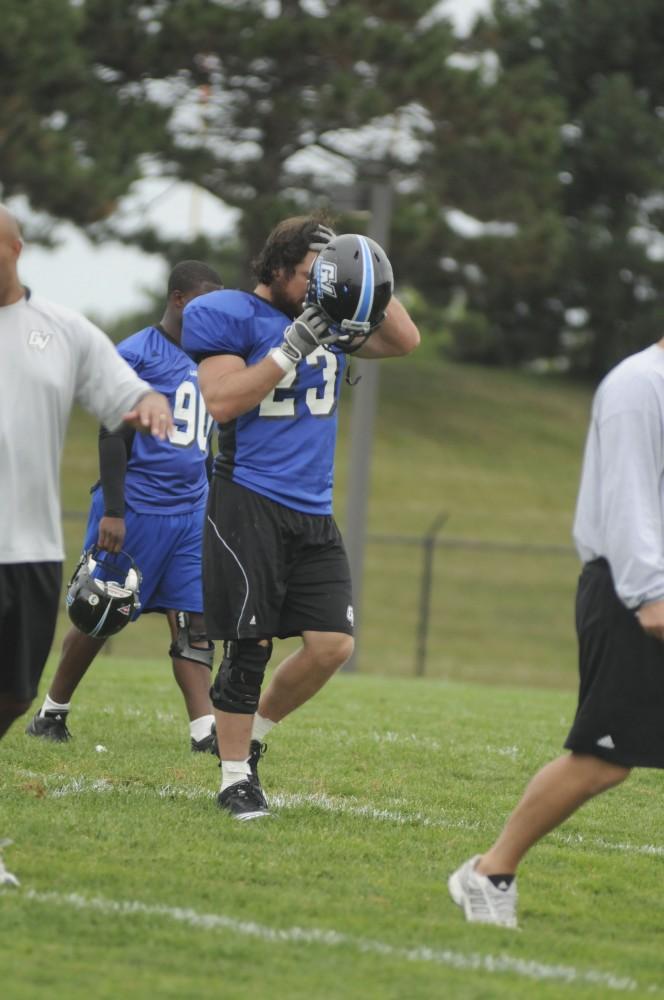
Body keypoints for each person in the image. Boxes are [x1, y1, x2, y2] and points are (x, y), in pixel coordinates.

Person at [182, 215, 420, 820]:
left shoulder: (336, 317)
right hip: (247, 497)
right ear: (277, 268)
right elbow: (223, 400)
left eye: (329, 276)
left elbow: (405, 340)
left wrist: (363, 270)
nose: (323, 287)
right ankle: (234, 779)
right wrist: (292, 348)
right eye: (314, 274)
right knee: (248, 645)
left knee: (332, 645)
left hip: (312, 506)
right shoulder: (227, 313)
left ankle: (251, 737)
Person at [449, 337, 664, 928]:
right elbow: (629, 503)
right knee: (602, 759)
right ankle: (489, 872)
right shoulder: (638, 387)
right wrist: (650, 595)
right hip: (633, 590)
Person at [0, 203, 173, 885]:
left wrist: (147, 406)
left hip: (32, 547)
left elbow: (122, 393)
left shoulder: (62, 330)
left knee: (15, 694)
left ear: (15, 247)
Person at [27, 261, 224, 754]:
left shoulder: (216, 357)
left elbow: (207, 437)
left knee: (195, 621)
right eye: (202, 302)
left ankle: (205, 729)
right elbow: (111, 434)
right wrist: (114, 510)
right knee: (102, 611)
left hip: (190, 511)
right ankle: (52, 712)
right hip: (137, 507)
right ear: (178, 299)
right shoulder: (136, 352)